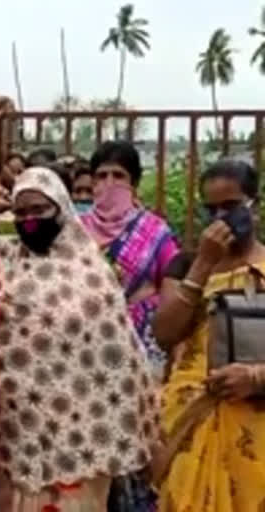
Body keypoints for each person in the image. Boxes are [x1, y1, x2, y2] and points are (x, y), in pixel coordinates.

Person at [0, 167, 157, 511]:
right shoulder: (1, 264)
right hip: (15, 435)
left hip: (82, 437)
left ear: (62, 210)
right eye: (20, 213)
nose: (30, 220)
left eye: (39, 210)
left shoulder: (93, 274)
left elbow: (118, 356)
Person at [154, 158, 265, 512]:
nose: (220, 218)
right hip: (193, 421)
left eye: (231, 207)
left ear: (254, 207)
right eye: (210, 209)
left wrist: (256, 377)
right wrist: (202, 265)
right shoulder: (189, 266)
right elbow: (165, 334)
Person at [80, 141, 179, 376]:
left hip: (140, 342)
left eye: (119, 176)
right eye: (101, 176)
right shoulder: (76, 229)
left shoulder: (155, 230)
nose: (110, 183)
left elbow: (172, 290)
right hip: (86, 339)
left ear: (133, 183)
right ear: (93, 182)